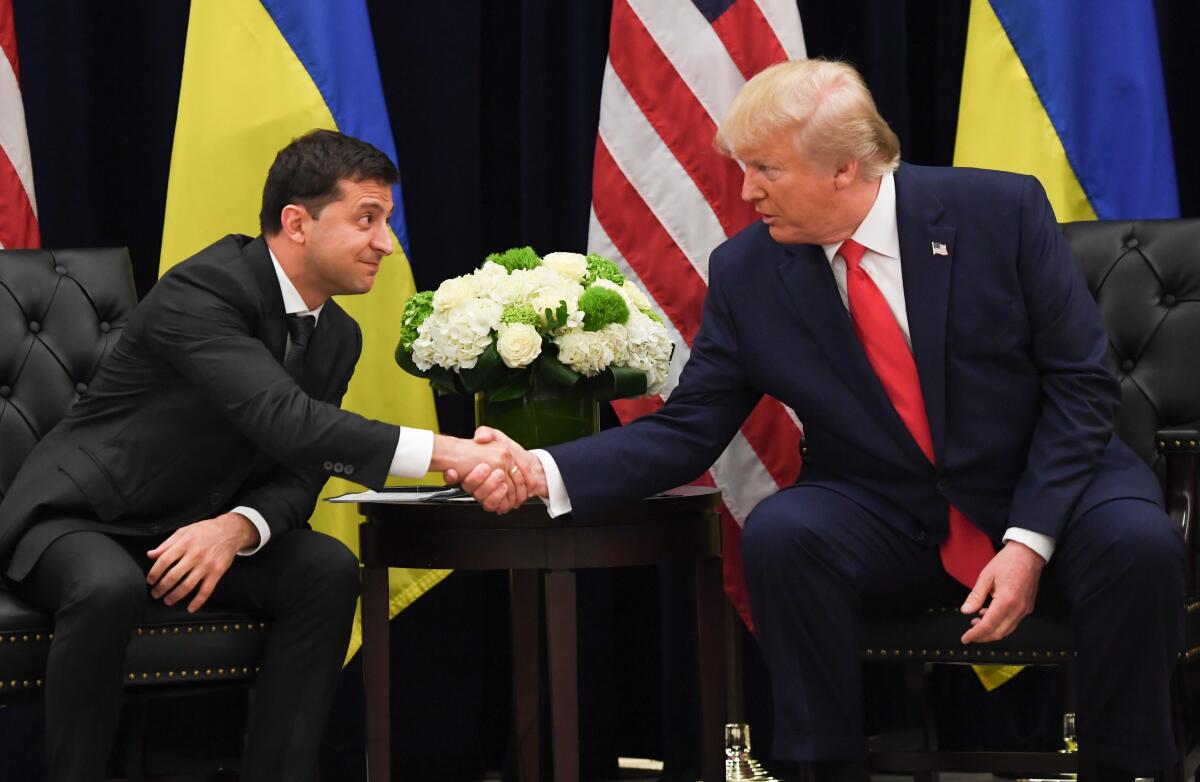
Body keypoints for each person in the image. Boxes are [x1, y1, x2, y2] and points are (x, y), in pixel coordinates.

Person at [460, 60, 1186, 781]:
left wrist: (1029, 541)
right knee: (785, 535)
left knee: (1139, 543)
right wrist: (540, 467)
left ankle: (1125, 770)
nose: (747, 193)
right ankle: (822, 769)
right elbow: (688, 429)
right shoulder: (747, 272)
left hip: (1052, 484)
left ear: (846, 168)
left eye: (766, 169)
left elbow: (1081, 386)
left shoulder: (999, 213)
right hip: (886, 507)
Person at [0, 129, 524, 782]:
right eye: (367, 219)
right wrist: (449, 453)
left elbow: (302, 470)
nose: (386, 244)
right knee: (108, 586)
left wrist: (238, 527)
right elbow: (286, 419)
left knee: (326, 568)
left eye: (386, 221)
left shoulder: (337, 336)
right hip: (78, 515)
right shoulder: (202, 288)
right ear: (296, 222)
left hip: (193, 525)